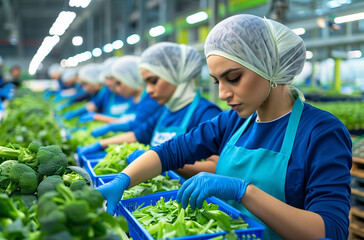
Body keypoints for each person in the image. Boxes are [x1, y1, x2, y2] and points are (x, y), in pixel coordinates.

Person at [95, 15, 352, 240]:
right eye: (217, 81)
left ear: (269, 66)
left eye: (233, 78)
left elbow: (330, 230)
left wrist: (243, 191)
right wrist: (123, 179)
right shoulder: (234, 121)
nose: (223, 94)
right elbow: (172, 151)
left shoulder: (321, 133)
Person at [78, 42, 222, 178]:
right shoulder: (165, 110)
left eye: (153, 81)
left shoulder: (206, 114)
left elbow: (215, 168)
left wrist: (160, 159)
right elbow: (137, 135)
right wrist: (100, 144)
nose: (149, 90)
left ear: (175, 75)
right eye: (146, 82)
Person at [90, 55, 162, 136]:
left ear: (130, 78)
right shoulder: (133, 98)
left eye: (119, 83)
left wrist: (109, 126)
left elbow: (140, 126)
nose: (117, 90)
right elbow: (125, 119)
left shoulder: (150, 97)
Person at [77, 57, 133, 122]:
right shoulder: (107, 92)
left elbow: (134, 122)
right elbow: (93, 106)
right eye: (106, 79)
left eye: (111, 78)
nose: (107, 83)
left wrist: (97, 117)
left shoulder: (134, 94)